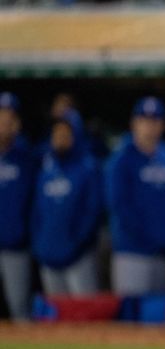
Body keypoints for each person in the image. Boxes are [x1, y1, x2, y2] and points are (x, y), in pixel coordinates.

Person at [106, 97, 165, 296]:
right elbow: (119, 205)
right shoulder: (122, 158)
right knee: (132, 315)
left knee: (159, 317)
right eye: (144, 120)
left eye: (155, 120)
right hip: (131, 250)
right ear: (134, 123)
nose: (149, 126)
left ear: (162, 125)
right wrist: (148, 237)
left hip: (162, 252)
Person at [31, 109, 103, 295]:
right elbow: (36, 211)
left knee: (84, 315)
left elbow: (93, 211)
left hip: (79, 256)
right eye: (57, 133)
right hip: (49, 255)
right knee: (56, 317)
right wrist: (41, 245)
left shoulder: (88, 167)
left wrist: (77, 243)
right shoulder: (46, 169)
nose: (60, 138)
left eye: (65, 133)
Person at [0, 92, 35, 320]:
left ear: (17, 124)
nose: (4, 124)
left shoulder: (27, 157)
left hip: (15, 246)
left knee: (20, 311)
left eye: (9, 119)